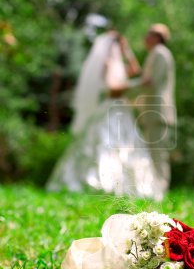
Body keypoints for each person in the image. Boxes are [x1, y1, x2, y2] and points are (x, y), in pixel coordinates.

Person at [47, 30, 165, 201]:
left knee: (127, 146)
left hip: (122, 109)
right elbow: (112, 89)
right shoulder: (108, 63)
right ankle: (103, 183)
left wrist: (128, 52)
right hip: (113, 108)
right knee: (107, 145)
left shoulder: (119, 64)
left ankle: (126, 185)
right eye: (120, 46)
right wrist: (137, 84)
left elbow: (135, 69)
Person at [128, 23, 176, 194]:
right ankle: (155, 189)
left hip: (158, 112)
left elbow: (150, 83)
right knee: (153, 151)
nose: (145, 38)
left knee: (158, 153)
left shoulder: (160, 53)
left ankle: (161, 190)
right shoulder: (155, 54)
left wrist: (124, 89)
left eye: (148, 34)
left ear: (157, 37)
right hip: (152, 113)